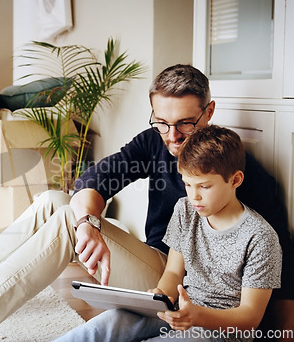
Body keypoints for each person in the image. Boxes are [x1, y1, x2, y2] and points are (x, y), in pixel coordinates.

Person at [0, 65, 294, 341]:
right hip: (163, 268)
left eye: (184, 123)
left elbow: (278, 262)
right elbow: (98, 177)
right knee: (56, 201)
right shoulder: (154, 142)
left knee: (68, 217)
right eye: (162, 123)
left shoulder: (243, 177)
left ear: (209, 112)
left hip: (188, 290)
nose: (173, 137)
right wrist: (87, 222)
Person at [55, 125, 282, 341]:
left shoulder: (260, 238)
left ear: (235, 180)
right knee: (111, 322)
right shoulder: (185, 209)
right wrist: (159, 296)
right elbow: (174, 271)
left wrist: (197, 316)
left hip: (218, 331)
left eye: (204, 186)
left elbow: (250, 318)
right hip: (178, 311)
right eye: (187, 184)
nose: (195, 197)